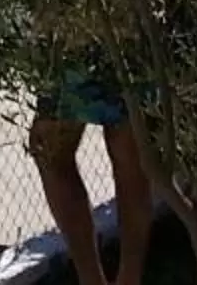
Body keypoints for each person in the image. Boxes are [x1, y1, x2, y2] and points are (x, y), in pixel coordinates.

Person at [27, 62, 151, 285]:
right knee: (49, 150)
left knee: (127, 149)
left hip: (122, 42)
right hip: (64, 44)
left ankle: (130, 279)